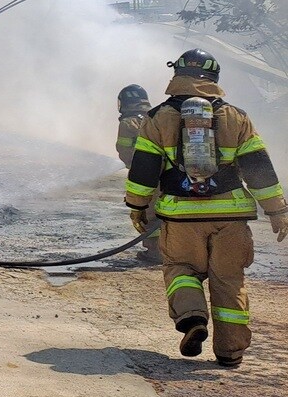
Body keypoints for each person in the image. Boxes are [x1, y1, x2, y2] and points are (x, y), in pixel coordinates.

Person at [124, 49, 288, 367]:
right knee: (228, 280)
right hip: (230, 218)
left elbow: (143, 170)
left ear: (177, 76)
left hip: (181, 218)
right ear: (214, 77)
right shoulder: (236, 117)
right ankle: (230, 352)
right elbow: (258, 170)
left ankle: (193, 318)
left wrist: (138, 206)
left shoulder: (157, 118)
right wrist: (277, 210)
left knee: (181, 270)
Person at [116, 84, 160, 261]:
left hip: (144, 176)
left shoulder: (128, 122)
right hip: (167, 173)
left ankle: (155, 252)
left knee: (148, 214)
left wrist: (134, 169)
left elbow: (125, 151)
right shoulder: (158, 117)